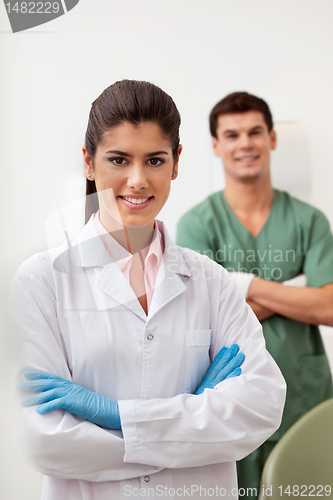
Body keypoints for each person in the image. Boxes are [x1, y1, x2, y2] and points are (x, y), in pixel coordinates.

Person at [10, 81, 286, 500]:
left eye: (155, 160)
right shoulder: (40, 280)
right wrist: (194, 422)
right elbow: (47, 441)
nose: (137, 180)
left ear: (176, 163)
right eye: (118, 159)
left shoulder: (211, 281)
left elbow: (261, 407)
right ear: (89, 162)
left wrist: (117, 417)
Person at [176, 91, 333, 499]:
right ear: (215, 146)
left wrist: (242, 285)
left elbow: (329, 306)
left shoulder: (309, 221)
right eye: (231, 135)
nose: (244, 143)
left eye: (254, 132)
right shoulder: (196, 225)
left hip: (304, 395)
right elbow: (205, 319)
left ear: (272, 139)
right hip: (230, 395)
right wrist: (299, 292)